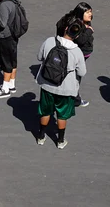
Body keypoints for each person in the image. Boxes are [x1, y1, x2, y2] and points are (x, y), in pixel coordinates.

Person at [34, 18, 87, 149]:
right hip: (66, 89)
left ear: (65, 29)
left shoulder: (49, 41)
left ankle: (41, 137)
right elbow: (82, 72)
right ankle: (60, 140)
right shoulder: (77, 52)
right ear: (78, 35)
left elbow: (39, 57)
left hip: (46, 84)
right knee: (62, 115)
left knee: (45, 111)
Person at [58, 3, 94, 107]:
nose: (90, 14)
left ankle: (73, 97)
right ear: (81, 13)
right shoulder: (77, 25)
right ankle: (75, 99)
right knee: (76, 77)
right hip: (79, 55)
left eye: (90, 11)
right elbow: (81, 40)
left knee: (74, 76)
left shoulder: (85, 22)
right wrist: (89, 31)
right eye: (87, 12)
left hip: (83, 54)